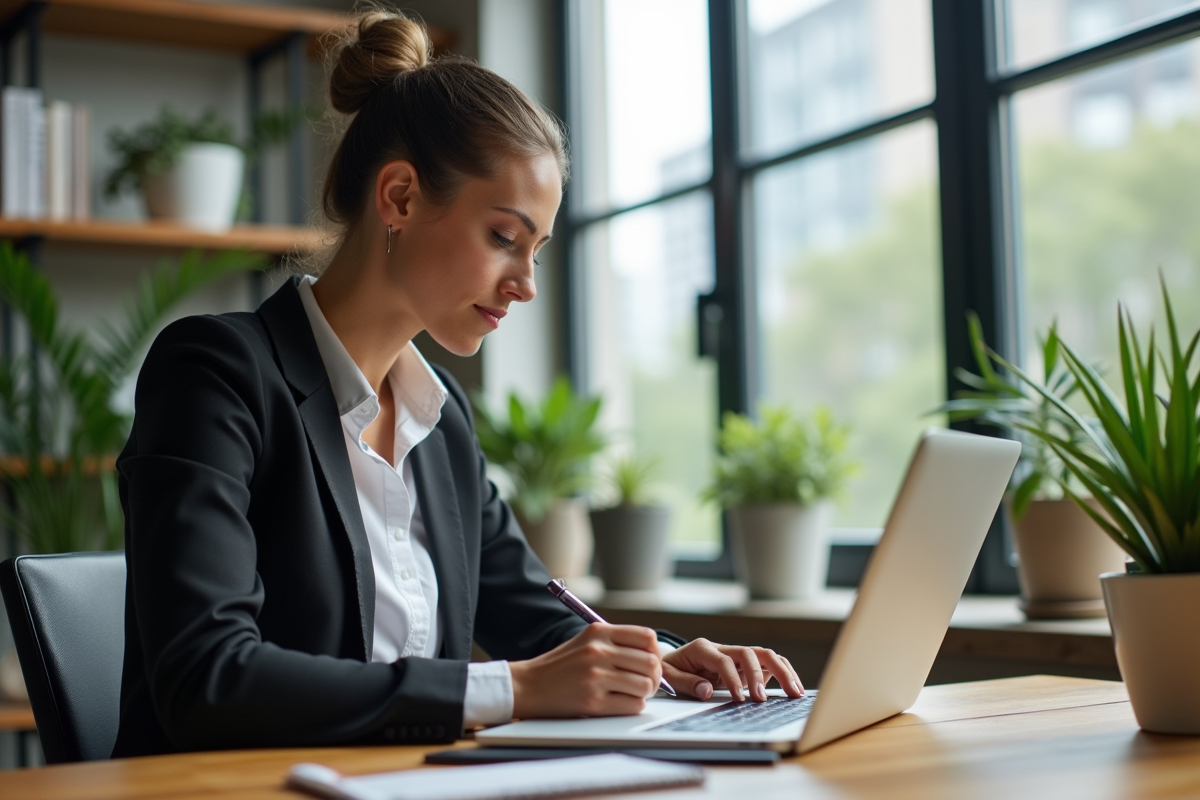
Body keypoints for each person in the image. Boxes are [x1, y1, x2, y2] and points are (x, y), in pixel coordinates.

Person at [111, 9, 804, 758]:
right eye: (504, 238)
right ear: (401, 198)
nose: (526, 284)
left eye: (535, 249)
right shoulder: (217, 374)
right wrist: (514, 689)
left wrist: (658, 663)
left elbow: (535, 611)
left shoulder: (440, 418)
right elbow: (206, 680)